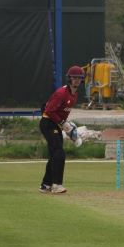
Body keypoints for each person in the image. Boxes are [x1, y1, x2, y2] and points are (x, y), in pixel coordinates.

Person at [39, 65, 84, 194]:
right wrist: (63, 123)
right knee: (59, 153)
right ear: (69, 78)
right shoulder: (62, 93)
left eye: (79, 78)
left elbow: (61, 113)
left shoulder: (74, 95)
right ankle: (57, 185)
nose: (77, 80)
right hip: (48, 123)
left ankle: (46, 185)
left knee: (54, 154)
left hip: (55, 124)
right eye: (74, 77)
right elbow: (48, 110)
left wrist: (68, 126)